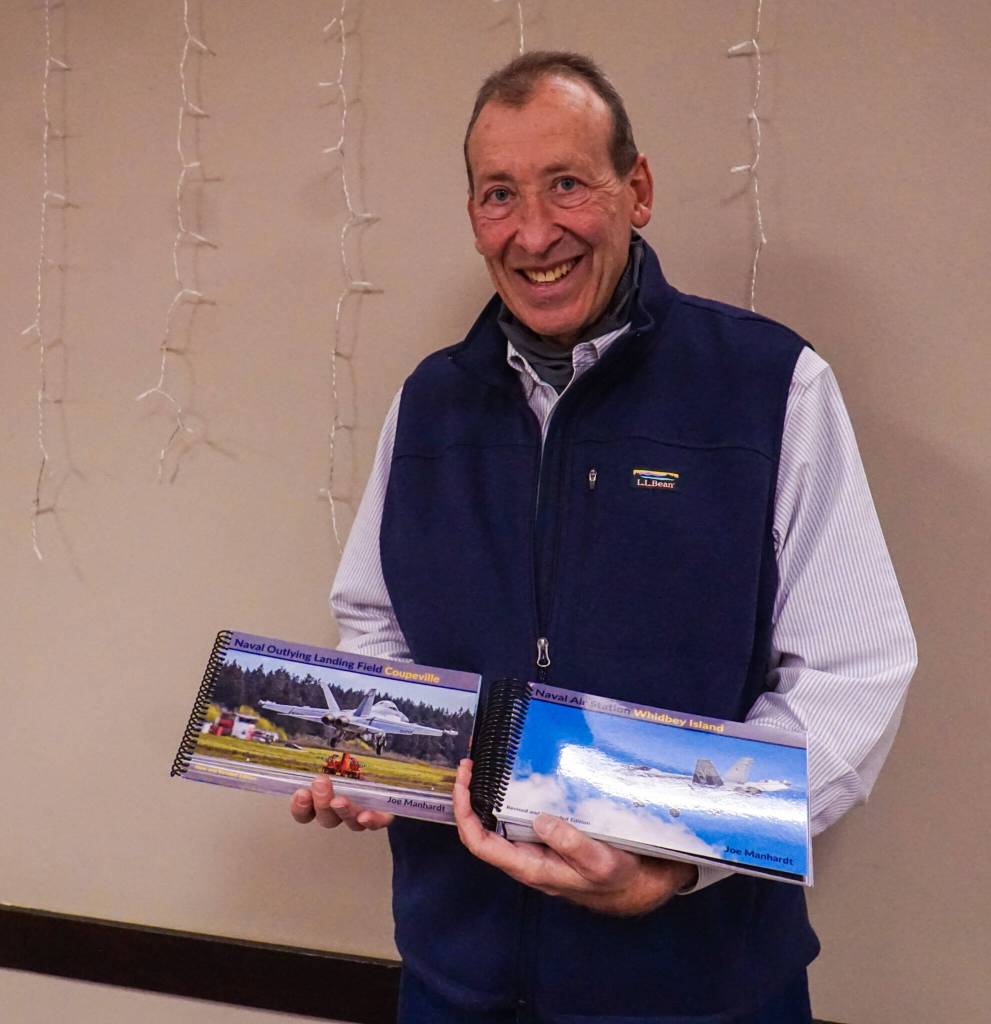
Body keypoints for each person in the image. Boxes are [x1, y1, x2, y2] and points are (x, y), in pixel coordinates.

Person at [291, 52, 916, 1023]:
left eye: (567, 185)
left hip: (700, 995)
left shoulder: (771, 388)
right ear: (473, 219)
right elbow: (376, 628)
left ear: (638, 190)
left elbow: (850, 674)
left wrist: (677, 855)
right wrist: (373, 758)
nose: (534, 231)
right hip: (455, 991)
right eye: (499, 194)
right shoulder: (426, 407)